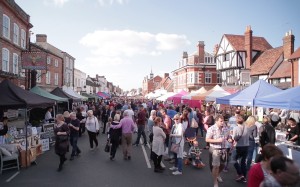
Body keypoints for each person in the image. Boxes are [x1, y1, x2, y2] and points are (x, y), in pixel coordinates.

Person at [206, 114, 231, 187]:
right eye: (221, 121)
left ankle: (217, 174)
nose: (222, 122)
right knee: (216, 166)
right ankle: (215, 182)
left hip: (224, 149)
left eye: (223, 121)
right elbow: (207, 139)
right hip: (215, 149)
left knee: (222, 165)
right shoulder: (211, 128)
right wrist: (217, 140)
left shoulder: (225, 128)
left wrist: (229, 139)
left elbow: (228, 136)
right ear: (216, 121)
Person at [233, 115, 250, 183]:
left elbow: (235, 138)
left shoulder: (236, 128)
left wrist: (233, 136)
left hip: (239, 146)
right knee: (243, 162)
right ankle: (244, 177)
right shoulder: (247, 128)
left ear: (236, 121)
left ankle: (240, 174)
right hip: (246, 146)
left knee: (234, 160)